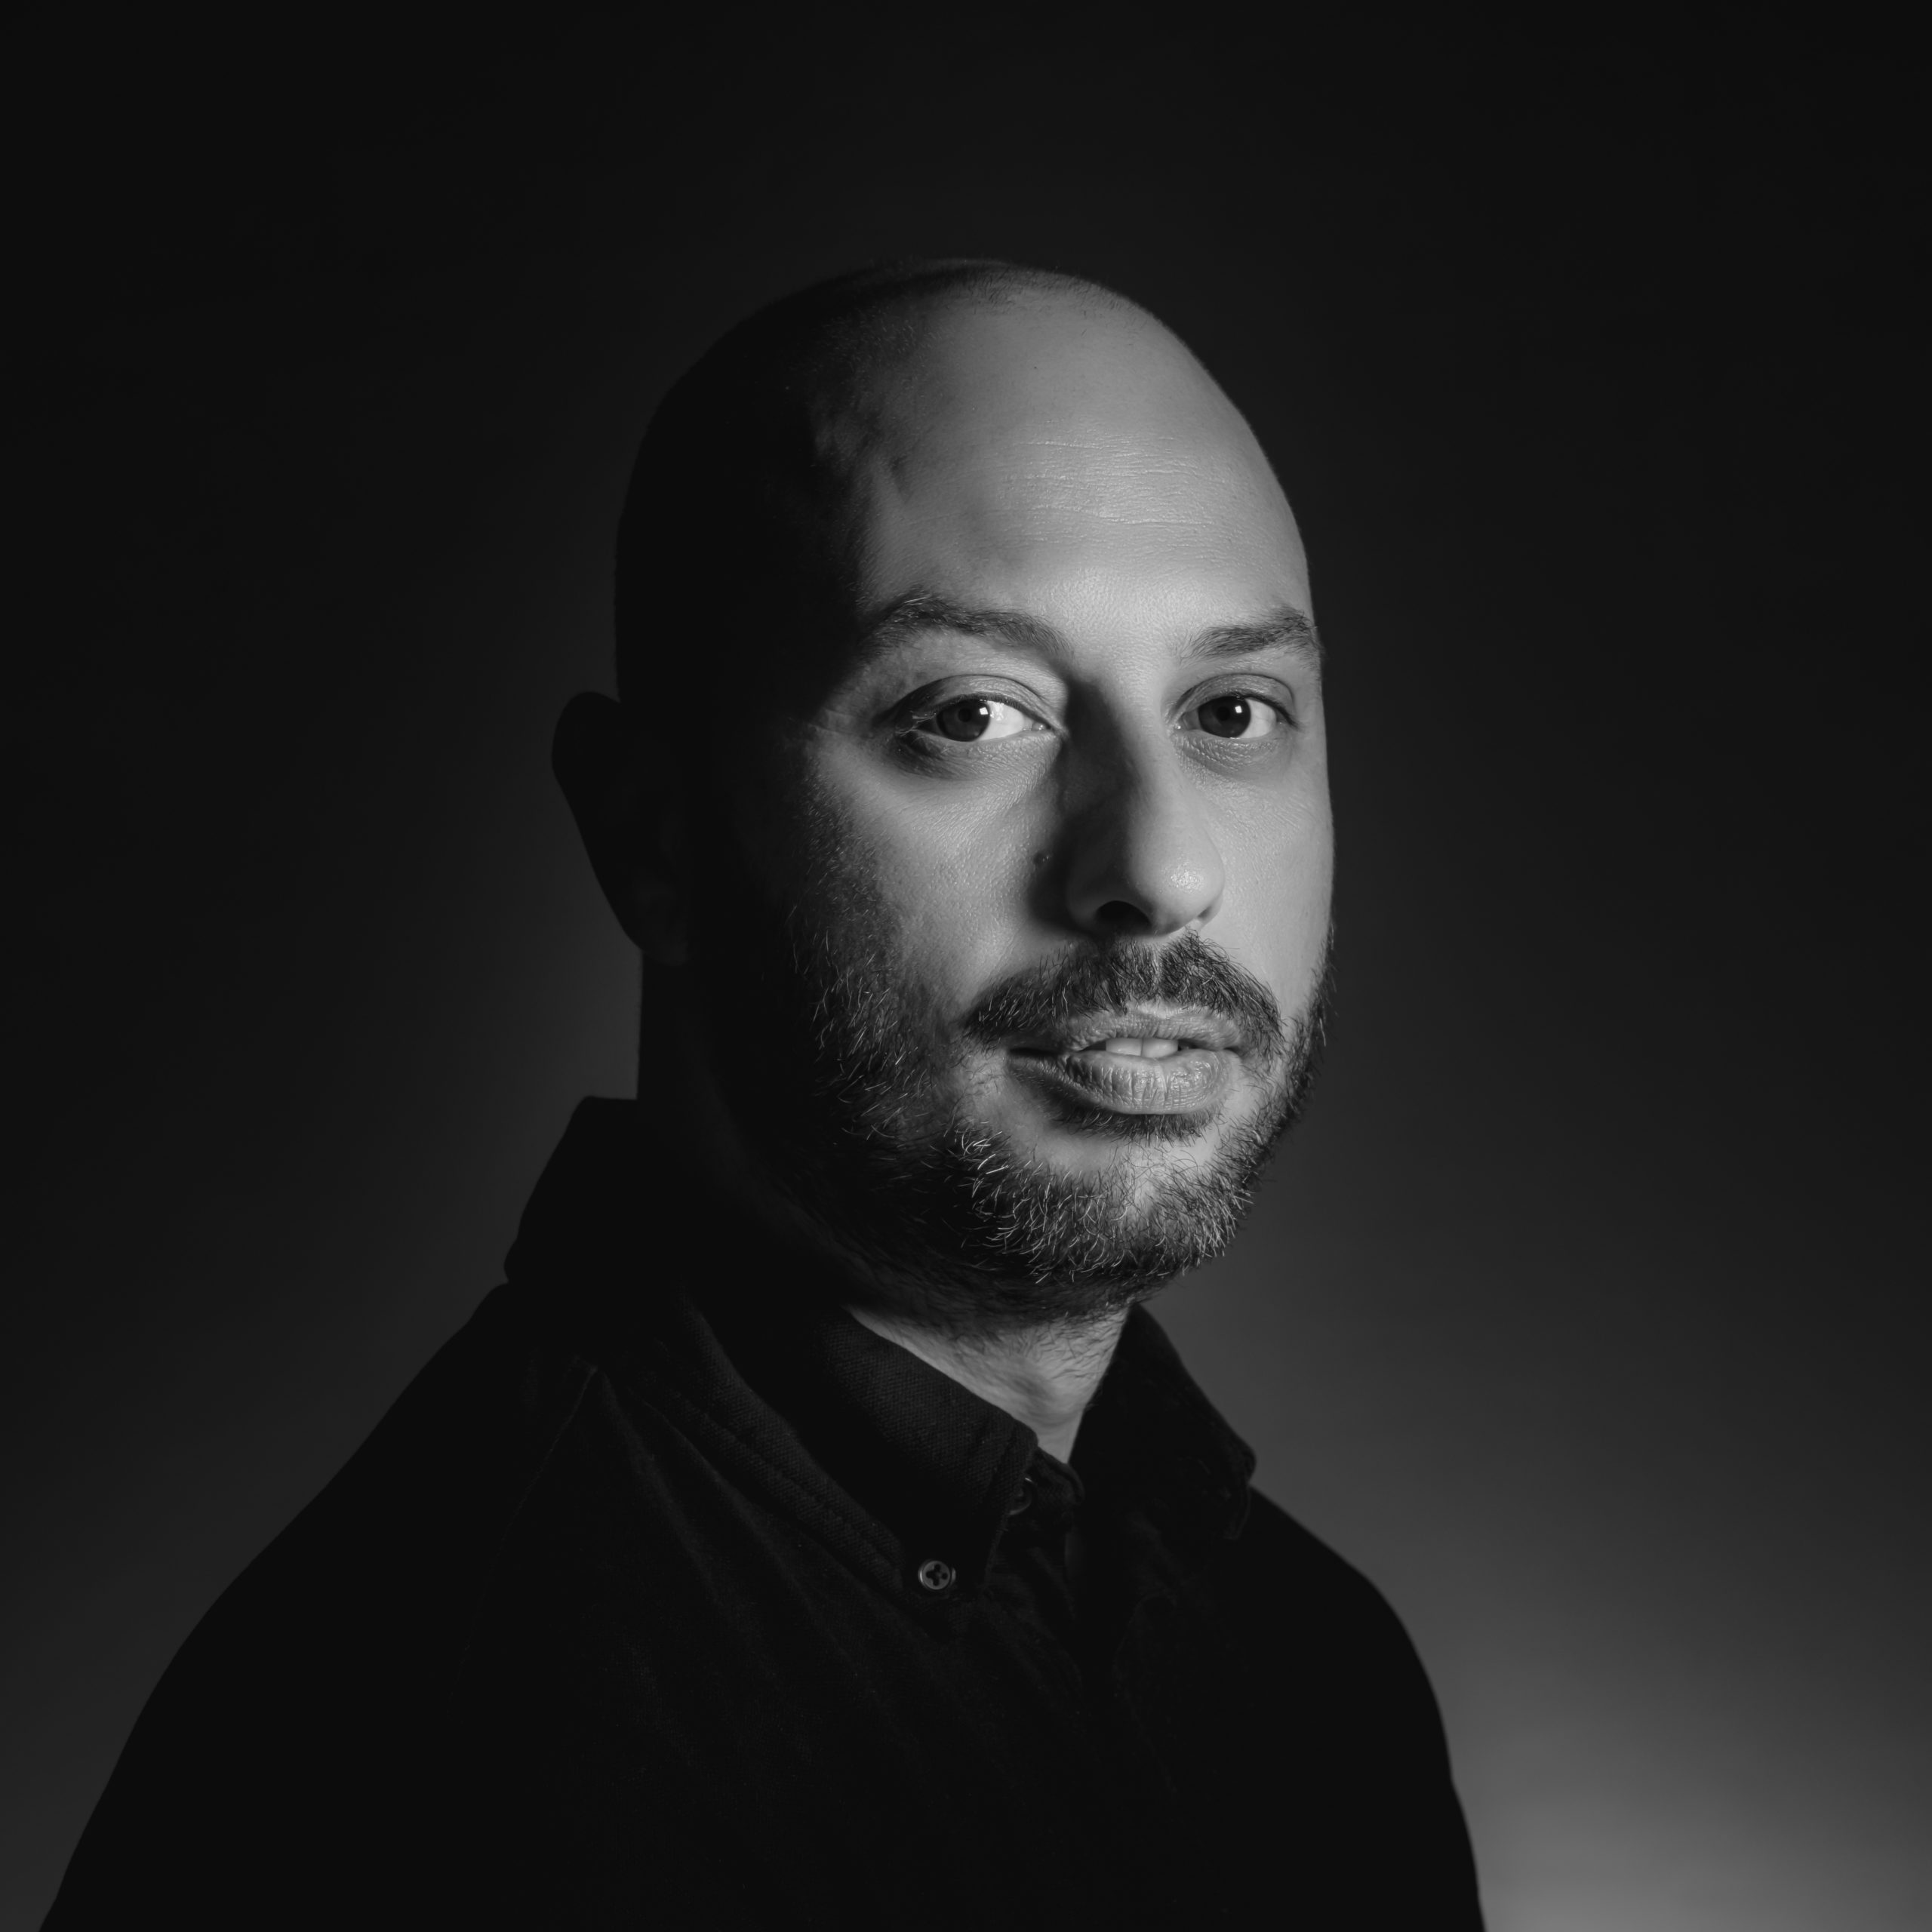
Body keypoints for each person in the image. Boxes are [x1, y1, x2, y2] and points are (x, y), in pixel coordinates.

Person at [46, 260, 1484, 1928]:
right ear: (654, 836)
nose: (1161, 868)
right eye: (972, 714)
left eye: (1233, 710)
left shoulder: (1317, 1667)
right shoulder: (446, 1758)